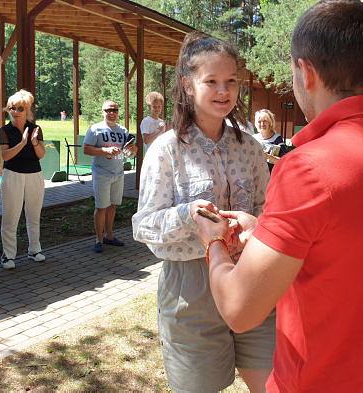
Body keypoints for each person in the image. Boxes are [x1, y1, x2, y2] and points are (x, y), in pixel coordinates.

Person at [193, 2, 363, 391]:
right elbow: (357, 246)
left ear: (305, 72)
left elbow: (240, 309)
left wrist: (213, 244)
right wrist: (267, 233)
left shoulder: (307, 167)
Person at [132, 33, 274, 392]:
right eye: (211, 81)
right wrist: (186, 215)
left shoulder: (250, 148)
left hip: (252, 276)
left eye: (231, 81)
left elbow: (266, 209)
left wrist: (254, 228)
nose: (223, 91)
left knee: (275, 383)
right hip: (190, 287)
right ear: (187, 84)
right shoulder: (166, 150)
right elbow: (144, 225)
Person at [0, 89, 46, 269]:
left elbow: (41, 154)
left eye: (20, 108)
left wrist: (34, 143)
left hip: (34, 175)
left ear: (27, 110)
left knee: (34, 215)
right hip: (13, 176)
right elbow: (6, 156)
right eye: (12, 108)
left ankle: (34, 250)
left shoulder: (36, 129)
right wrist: (22, 143)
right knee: (11, 217)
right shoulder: (5, 130)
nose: (16, 112)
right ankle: (8, 256)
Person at [83, 100, 136, 253]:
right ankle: (98, 239)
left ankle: (110, 236)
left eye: (114, 110)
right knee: (101, 207)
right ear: (103, 112)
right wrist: (104, 151)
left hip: (118, 173)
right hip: (101, 173)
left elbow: (130, 153)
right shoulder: (95, 129)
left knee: (113, 205)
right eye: (108, 110)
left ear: (118, 112)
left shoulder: (123, 130)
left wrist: (133, 149)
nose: (111, 113)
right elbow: (86, 149)